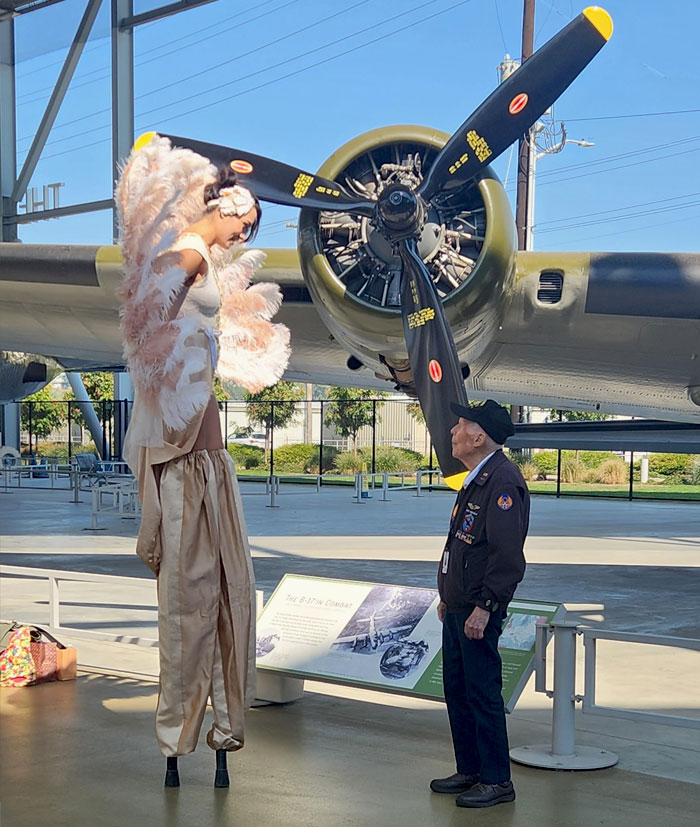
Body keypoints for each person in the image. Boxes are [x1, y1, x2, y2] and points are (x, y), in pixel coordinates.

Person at [116, 135, 290, 787]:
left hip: (207, 458)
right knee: (191, 604)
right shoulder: (183, 257)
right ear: (224, 212)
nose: (238, 238)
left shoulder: (197, 261)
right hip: (187, 454)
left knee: (226, 596)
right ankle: (181, 734)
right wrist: (179, 414)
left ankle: (217, 728)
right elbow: (144, 336)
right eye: (240, 226)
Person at [430, 399, 529, 809]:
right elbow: (465, 545)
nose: (453, 431)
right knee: (458, 689)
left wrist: (485, 605)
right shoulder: (477, 478)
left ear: (478, 435)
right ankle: (470, 769)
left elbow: (507, 555)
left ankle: (496, 779)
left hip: (476, 609)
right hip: (458, 605)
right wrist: (449, 596)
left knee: (482, 691)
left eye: (460, 424)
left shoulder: (503, 482)